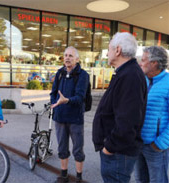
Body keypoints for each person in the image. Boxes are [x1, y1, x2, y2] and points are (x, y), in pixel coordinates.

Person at [92, 32, 147, 183]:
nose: (107, 53)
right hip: (117, 151)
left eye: (109, 49)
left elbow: (128, 121)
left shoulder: (130, 76)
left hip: (118, 152)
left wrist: (108, 147)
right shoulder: (125, 72)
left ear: (117, 50)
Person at [50, 46, 89, 183]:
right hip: (60, 117)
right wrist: (54, 103)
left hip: (75, 118)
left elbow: (80, 97)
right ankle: (64, 175)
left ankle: (79, 178)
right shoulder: (59, 73)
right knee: (62, 148)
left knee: (78, 149)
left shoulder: (83, 75)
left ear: (77, 59)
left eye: (71, 56)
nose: (67, 58)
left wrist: (66, 100)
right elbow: (53, 93)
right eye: (66, 55)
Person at [135, 46, 169, 183]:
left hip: (156, 146)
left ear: (154, 63)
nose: (140, 63)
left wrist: (160, 143)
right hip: (138, 143)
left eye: (143, 60)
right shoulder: (141, 80)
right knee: (140, 180)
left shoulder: (167, 83)